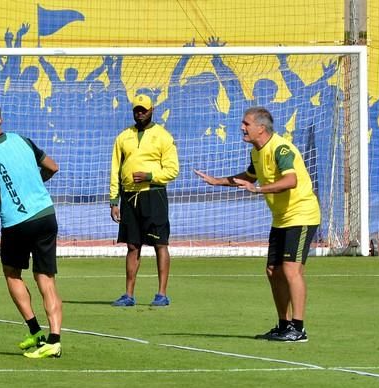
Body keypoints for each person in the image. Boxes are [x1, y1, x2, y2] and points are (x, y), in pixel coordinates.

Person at [194, 107, 319, 342]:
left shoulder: (280, 148)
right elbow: (249, 177)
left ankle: (299, 329)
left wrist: (259, 189)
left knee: (291, 270)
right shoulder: (256, 152)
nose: (242, 127)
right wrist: (217, 181)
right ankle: (284, 325)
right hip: (281, 218)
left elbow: (290, 181)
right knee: (273, 271)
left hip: (302, 214)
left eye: (246, 124)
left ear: (261, 128)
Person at [0, 100, 63, 359]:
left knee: (13, 274)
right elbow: (52, 167)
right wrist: (34, 183)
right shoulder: (22, 140)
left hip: (18, 223)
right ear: (1, 120)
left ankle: (35, 330)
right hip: (46, 215)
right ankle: (54, 339)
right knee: (46, 279)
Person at [109, 94, 179, 307]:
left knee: (160, 243)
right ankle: (129, 295)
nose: (140, 113)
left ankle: (162, 294)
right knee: (132, 245)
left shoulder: (163, 136)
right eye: (137, 110)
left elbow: (173, 170)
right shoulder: (123, 137)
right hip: (129, 197)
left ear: (152, 110)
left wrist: (150, 176)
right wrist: (114, 200)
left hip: (154, 194)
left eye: (144, 110)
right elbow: (115, 169)